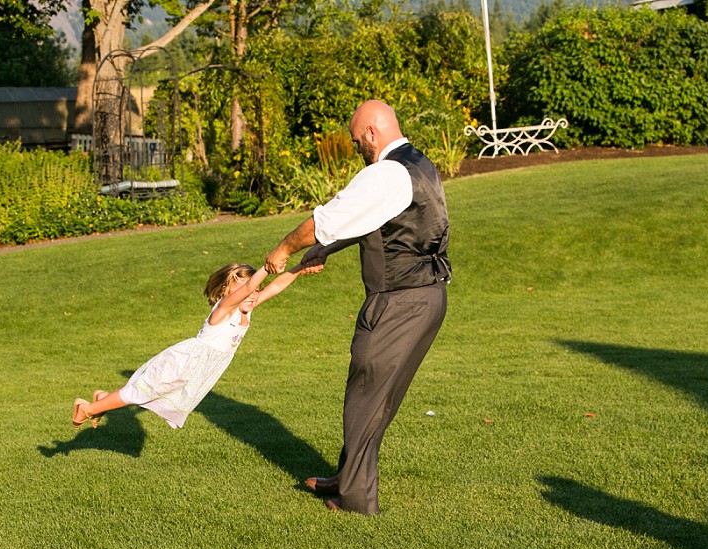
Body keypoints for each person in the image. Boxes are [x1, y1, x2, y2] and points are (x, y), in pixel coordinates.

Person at [265, 99, 451, 514]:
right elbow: (379, 219)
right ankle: (349, 476)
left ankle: (354, 499)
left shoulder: (386, 172)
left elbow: (324, 219)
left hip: (398, 301)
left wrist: (283, 251)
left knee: (366, 395)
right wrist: (326, 251)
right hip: (428, 297)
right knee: (375, 397)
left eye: (356, 141)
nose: (356, 150)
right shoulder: (417, 162)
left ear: (371, 132)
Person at [71, 261, 320, 430]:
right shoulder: (224, 309)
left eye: (256, 292)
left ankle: (103, 399)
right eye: (247, 291)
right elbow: (249, 288)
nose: (253, 295)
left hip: (199, 370)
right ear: (227, 291)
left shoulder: (248, 307)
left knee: (148, 395)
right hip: (183, 362)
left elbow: (276, 285)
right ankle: (88, 408)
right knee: (141, 392)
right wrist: (267, 266)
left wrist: (301, 267)